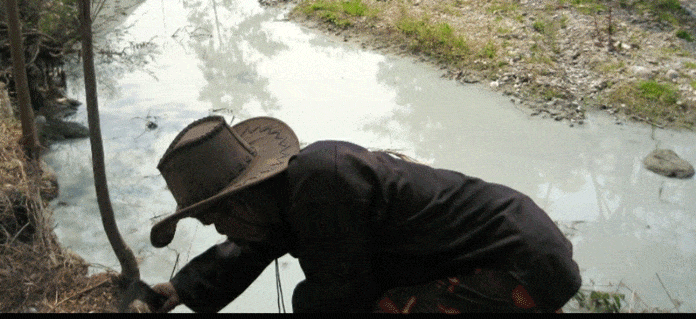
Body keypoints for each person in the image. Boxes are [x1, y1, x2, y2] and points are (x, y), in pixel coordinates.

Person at [148, 115, 581, 313]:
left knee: (386, 309)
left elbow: (342, 293)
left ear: (244, 198)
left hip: (522, 263)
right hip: (512, 254)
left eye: (219, 219)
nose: (223, 229)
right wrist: (181, 289)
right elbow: (251, 247)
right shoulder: (287, 196)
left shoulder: (322, 186)